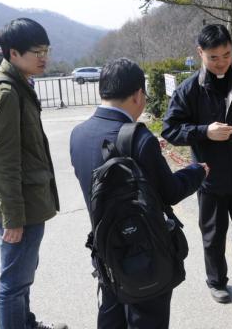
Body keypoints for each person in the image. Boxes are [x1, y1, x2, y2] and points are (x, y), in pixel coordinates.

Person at [70, 58, 208, 329]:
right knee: (146, 318)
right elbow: (170, 191)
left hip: (106, 248)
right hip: (144, 253)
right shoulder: (139, 138)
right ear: (137, 95)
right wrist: (197, 171)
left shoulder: (79, 134)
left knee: (111, 315)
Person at [161, 24, 232, 322]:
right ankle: (216, 281)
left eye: (226, 55)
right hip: (210, 178)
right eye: (214, 57)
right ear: (200, 53)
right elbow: (170, 129)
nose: (222, 62)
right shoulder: (189, 89)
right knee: (213, 235)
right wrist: (204, 132)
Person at [0, 18, 67, 329]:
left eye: (46, 51)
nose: (44, 58)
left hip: (26, 202)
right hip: (20, 208)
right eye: (37, 52)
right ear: (13, 53)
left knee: (22, 276)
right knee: (14, 282)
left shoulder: (18, 84)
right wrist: (13, 217)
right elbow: (1, 162)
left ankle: (25, 323)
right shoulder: (6, 93)